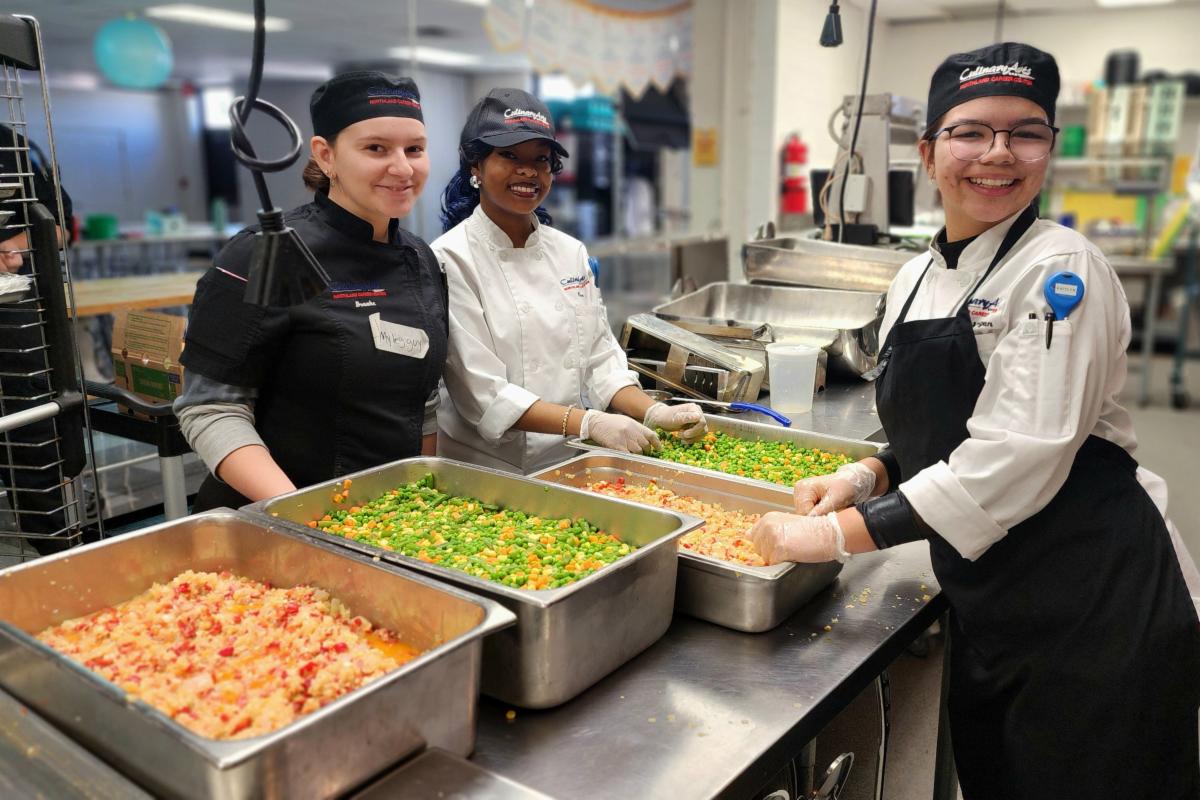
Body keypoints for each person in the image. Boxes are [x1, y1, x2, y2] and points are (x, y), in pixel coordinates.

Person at [750, 43, 1200, 798]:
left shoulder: (1062, 272)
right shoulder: (915, 275)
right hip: (994, 598)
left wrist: (836, 536)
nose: (998, 153)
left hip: (1096, 603)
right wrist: (871, 472)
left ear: (1050, 148)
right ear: (929, 153)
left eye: (1025, 133)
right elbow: (949, 422)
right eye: (971, 132)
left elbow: (1016, 453)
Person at [176, 72, 447, 510]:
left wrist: (422, 498)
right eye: (376, 148)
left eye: (414, 149)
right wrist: (301, 510)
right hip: (273, 515)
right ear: (326, 155)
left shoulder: (420, 259)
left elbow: (425, 400)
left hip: (384, 515)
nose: (402, 168)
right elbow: (209, 407)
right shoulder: (264, 253)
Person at [431, 88, 705, 474]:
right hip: (486, 472)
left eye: (540, 159)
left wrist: (654, 411)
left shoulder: (569, 252)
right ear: (475, 165)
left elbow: (600, 359)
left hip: (570, 461)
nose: (528, 171)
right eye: (510, 156)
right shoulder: (450, 258)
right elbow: (484, 394)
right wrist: (590, 423)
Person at [0, 123, 83, 555]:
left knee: (32, 441)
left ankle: (57, 553)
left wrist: (10, 247)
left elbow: (58, 227)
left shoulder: (12, 145)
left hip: (13, 324)